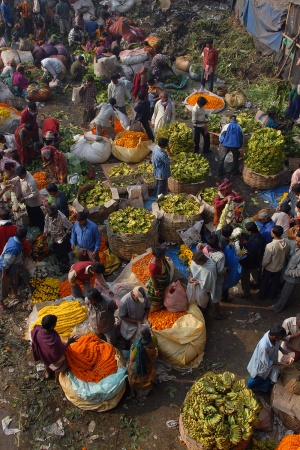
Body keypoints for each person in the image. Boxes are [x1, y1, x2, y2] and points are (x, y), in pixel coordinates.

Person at [31, 314, 78, 381]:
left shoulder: (37, 330)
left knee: (46, 363)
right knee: (58, 367)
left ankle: (48, 373)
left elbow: (33, 334)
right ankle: (56, 379)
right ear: (51, 326)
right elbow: (59, 352)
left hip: (43, 354)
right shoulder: (54, 339)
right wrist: (69, 342)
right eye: (55, 323)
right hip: (52, 358)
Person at [247, 324, 292, 392]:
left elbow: (277, 344)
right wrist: (281, 363)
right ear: (274, 337)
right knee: (251, 384)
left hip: (271, 360)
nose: (281, 339)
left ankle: (267, 384)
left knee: (269, 375)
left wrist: (282, 350)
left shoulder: (272, 334)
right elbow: (266, 362)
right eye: (280, 338)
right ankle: (265, 388)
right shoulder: (264, 346)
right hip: (262, 366)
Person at [187, 250, 225, 319]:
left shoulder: (210, 269)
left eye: (197, 263)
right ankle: (203, 308)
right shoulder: (195, 261)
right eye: (195, 262)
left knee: (214, 298)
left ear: (202, 261)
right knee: (198, 298)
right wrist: (191, 277)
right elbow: (193, 269)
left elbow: (209, 283)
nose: (195, 264)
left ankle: (216, 313)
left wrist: (198, 282)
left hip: (207, 285)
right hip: (196, 284)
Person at [270, 232, 300, 313]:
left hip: (292, 279)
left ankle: (277, 308)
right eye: (296, 240)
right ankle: (285, 304)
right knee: (287, 294)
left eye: (299, 241)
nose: (297, 243)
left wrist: (289, 272)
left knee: (284, 294)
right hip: (289, 276)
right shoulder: (297, 249)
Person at [0, 227, 27, 313]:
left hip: (13, 269)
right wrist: (4, 276)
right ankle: (2, 305)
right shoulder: (13, 248)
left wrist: (20, 265)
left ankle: (16, 295)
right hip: (5, 271)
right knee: (3, 289)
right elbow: (5, 264)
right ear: (24, 237)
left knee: (14, 282)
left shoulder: (14, 239)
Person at [258, 225, 290, 300]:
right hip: (279, 267)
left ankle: (261, 296)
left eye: (271, 231)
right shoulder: (286, 243)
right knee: (274, 283)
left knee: (264, 282)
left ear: (274, 234)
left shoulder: (271, 246)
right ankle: (272, 296)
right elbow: (287, 254)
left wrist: (263, 265)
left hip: (270, 268)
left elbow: (266, 260)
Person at [128, 324, 158, 398]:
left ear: (140, 335)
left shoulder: (137, 346)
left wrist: (132, 348)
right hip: (149, 363)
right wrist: (150, 329)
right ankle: (148, 381)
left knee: (131, 369)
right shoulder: (153, 340)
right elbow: (153, 337)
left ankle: (134, 388)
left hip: (141, 364)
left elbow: (132, 359)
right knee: (148, 371)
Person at [237, 222, 265, 298]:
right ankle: (257, 285)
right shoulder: (260, 236)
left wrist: (241, 256)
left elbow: (249, 254)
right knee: (256, 275)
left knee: (245, 278)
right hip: (256, 262)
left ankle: (246, 293)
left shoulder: (254, 242)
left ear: (250, 231)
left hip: (248, 263)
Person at [11, 166, 45, 231]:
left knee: (38, 216)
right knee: (31, 215)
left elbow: (35, 194)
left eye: (20, 176)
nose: (19, 177)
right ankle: (34, 226)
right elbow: (18, 178)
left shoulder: (31, 181)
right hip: (27, 202)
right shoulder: (22, 175)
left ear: (23, 174)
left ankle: (42, 228)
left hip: (33, 202)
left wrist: (25, 198)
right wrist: (11, 181)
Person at [44, 205, 72, 270]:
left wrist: (65, 236)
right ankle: (59, 263)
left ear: (56, 213)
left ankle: (65, 266)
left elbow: (70, 228)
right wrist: (45, 232)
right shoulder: (48, 215)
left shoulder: (63, 218)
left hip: (60, 237)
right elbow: (46, 223)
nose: (52, 218)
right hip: (52, 237)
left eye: (53, 216)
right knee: (56, 251)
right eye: (51, 216)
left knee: (62, 252)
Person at [203, 235, 226, 311]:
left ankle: (209, 305)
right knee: (216, 295)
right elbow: (220, 271)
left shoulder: (206, 249)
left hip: (207, 276)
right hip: (217, 279)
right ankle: (217, 313)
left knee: (209, 291)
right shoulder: (220, 256)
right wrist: (226, 269)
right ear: (218, 243)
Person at [147, 246, 171, 311]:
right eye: (163, 255)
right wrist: (156, 290)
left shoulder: (161, 259)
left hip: (163, 279)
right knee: (157, 296)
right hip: (157, 283)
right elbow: (153, 280)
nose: (165, 256)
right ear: (159, 257)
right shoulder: (153, 267)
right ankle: (156, 305)